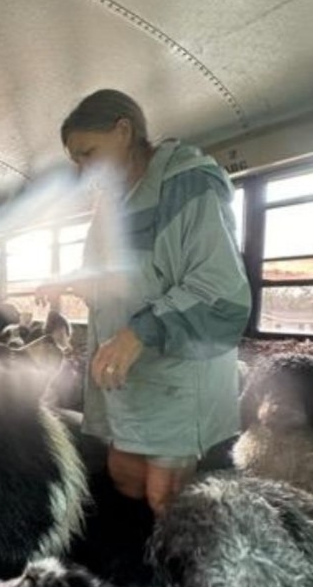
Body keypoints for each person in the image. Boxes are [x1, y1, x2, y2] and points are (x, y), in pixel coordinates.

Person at [38, 89, 251, 515]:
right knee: (125, 476)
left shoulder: (187, 183)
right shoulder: (111, 202)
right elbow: (125, 275)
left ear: (123, 131)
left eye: (88, 153)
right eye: (76, 161)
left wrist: (140, 332)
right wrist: (74, 280)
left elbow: (219, 288)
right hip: (129, 375)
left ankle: (175, 573)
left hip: (178, 372)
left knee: (165, 496)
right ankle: (144, 564)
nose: (83, 171)